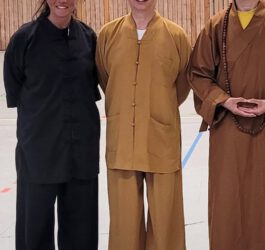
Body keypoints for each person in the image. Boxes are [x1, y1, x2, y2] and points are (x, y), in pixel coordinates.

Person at [187, 0, 265, 249]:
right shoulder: (215, 27)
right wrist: (224, 101)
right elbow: (198, 73)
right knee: (229, 201)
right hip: (228, 131)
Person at [3, 0, 101, 249]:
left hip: (81, 153)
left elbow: (92, 88)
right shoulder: (24, 39)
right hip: (38, 154)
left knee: (82, 231)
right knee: (33, 230)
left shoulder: (88, 38)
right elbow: (14, 90)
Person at [95, 0, 191, 249]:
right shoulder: (108, 35)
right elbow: (106, 79)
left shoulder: (176, 36)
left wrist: (156, 107)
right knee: (123, 224)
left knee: (166, 223)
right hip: (122, 142)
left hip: (162, 140)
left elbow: (181, 86)